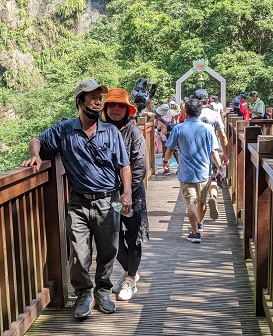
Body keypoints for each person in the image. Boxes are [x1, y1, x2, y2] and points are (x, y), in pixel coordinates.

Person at [20, 79, 132, 318]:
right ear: (79, 102)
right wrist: (35, 156)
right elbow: (36, 140)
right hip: (78, 202)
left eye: (98, 98)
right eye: (91, 98)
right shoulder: (65, 130)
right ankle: (84, 293)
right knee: (79, 253)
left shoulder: (111, 131)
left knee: (108, 249)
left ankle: (103, 291)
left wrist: (127, 193)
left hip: (109, 199)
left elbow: (124, 165)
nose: (97, 102)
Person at [100, 88, 149, 301]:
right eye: (112, 105)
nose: (116, 109)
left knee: (132, 235)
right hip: (108, 195)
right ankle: (131, 271)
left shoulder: (134, 132)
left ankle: (130, 278)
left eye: (121, 105)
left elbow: (139, 168)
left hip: (131, 195)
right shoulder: (100, 129)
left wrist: (125, 193)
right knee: (113, 237)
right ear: (106, 108)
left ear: (128, 109)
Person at [163, 98, 224, 243]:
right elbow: (214, 152)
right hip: (204, 172)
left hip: (186, 172)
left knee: (190, 202)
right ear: (200, 111)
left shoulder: (179, 128)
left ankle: (195, 233)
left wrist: (165, 162)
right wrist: (220, 168)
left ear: (185, 111)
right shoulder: (208, 129)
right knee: (201, 202)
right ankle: (200, 223)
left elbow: (170, 149)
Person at [200, 98, 229, 221]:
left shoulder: (195, 115)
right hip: (212, 150)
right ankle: (213, 196)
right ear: (208, 101)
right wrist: (226, 152)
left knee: (199, 182)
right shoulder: (215, 114)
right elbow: (222, 134)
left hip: (197, 154)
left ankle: (199, 204)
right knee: (213, 179)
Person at [155, 103, 177, 176]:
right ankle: (180, 168)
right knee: (175, 153)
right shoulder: (172, 118)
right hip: (173, 137)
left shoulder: (161, 119)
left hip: (164, 138)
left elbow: (158, 128)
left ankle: (166, 170)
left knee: (165, 153)